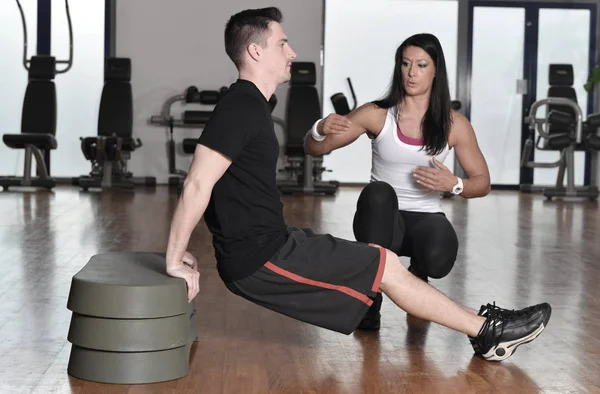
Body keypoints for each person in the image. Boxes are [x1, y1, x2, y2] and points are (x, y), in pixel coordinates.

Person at [164, 7, 551, 362]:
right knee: (385, 265)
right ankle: (488, 331)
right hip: (261, 258)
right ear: (256, 51)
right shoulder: (240, 108)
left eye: (421, 65)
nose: (292, 52)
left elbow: (219, 187)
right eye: (282, 43)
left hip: (276, 242)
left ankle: (484, 325)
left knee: (386, 265)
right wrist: (173, 257)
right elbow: (198, 183)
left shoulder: (253, 106)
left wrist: (454, 186)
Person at [303, 33, 491, 331]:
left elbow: (482, 182)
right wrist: (318, 129)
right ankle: (370, 295)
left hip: (425, 218)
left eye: (421, 65)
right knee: (378, 193)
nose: (412, 73)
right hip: (383, 219)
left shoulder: (455, 124)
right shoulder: (377, 114)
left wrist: (454, 184)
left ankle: (419, 271)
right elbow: (315, 148)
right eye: (405, 64)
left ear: (436, 70)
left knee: (439, 257)